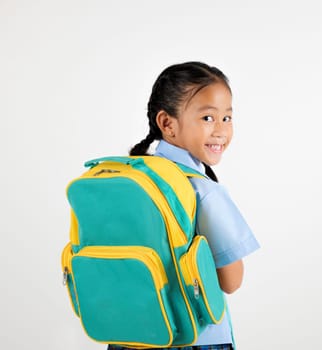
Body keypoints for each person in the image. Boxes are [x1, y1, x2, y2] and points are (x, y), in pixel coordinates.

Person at [108, 61, 260, 350]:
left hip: (130, 335)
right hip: (194, 337)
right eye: (207, 118)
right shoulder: (201, 189)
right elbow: (231, 281)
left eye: (227, 118)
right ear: (167, 123)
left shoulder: (131, 177)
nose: (220, 131)